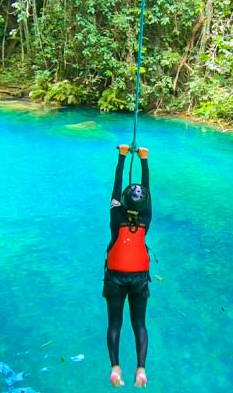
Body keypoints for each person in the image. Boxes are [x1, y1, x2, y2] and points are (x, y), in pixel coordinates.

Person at [103, 144, 152, 388]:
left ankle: (115, 368)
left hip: (115, 278)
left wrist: (122, 156)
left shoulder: (115, 216)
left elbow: (116, 184)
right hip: (139, 279)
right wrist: (144, 160)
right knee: (139, 324)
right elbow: (147, 191)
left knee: (115, 324)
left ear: (122, 202)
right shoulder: (146, 218)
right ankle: (140, 369)